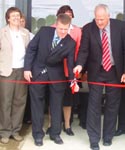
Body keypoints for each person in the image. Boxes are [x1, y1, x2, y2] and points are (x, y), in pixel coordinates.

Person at [73, 4, 125, 150]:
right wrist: (79, 66)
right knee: (94, 106)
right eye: (97, 19)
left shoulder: (120, 27)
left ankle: (108, 137)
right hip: (96, 71)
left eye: (102, 19)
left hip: (115, 72)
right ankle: (94, 139)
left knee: (112, 105)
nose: (99, 22)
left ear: (108, 16)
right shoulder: (89, 28)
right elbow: (84, 51)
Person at [24, 14, 77, 146]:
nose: (63, 32)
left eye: (66, 29)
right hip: (37, 71)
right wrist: (27, 68)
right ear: (56, 24)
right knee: (37, 104)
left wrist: (72, 81)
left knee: (56, 104)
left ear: (69, 27)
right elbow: (31, 49)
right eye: (60, 29)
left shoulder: (70, 42)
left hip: (56, 75)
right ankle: (37, 134)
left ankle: (55, 133)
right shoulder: (44, 31)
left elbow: (70, 65)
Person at [46, 5, 82, 136]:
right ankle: (51, 124)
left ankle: (67, 125)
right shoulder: (51, 29)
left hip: (70, 70)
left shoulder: (77, 31)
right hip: (54, 71)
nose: (69, 17)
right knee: (53, 99)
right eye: (66, 14)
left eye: (70, 15)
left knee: (68, 100)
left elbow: (79, 50)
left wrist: (78, 68)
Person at [0, 7, 30, 144]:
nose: (16, 18)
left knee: (20, 102)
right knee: (6, 102)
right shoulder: (2, 33)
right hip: (6, 72)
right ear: (8, 18)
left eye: (18, 16)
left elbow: (29, 53)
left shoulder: (25, 33)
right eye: (13, 16)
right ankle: (5, 131)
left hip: (21, 71)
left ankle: (15, 130)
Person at [20, 14, 34, 124]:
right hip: (11, 69)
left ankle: (26, 117)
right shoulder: (4, 33)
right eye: (19, 20)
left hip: (28, 68)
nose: (20, 23)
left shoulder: (30, 35)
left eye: (23, 21)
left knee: (26, 95)